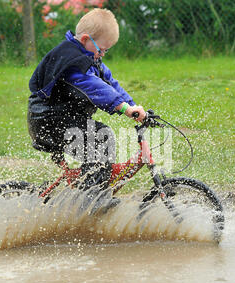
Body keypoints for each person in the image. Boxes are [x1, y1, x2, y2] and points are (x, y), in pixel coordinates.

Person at [28, 8, 146, 193]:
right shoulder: (74, 65)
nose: (103, 54)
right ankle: (91, 199)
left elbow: (109, 83)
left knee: (97, 139)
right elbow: (95, 88)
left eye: (106, 50)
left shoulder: (90, 57)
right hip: (48, 122)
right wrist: (124, 108)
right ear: (85, 40)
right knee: (101, 136)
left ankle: (92, 188)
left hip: (62, 120)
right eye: (102, 49)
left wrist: (132, 106)